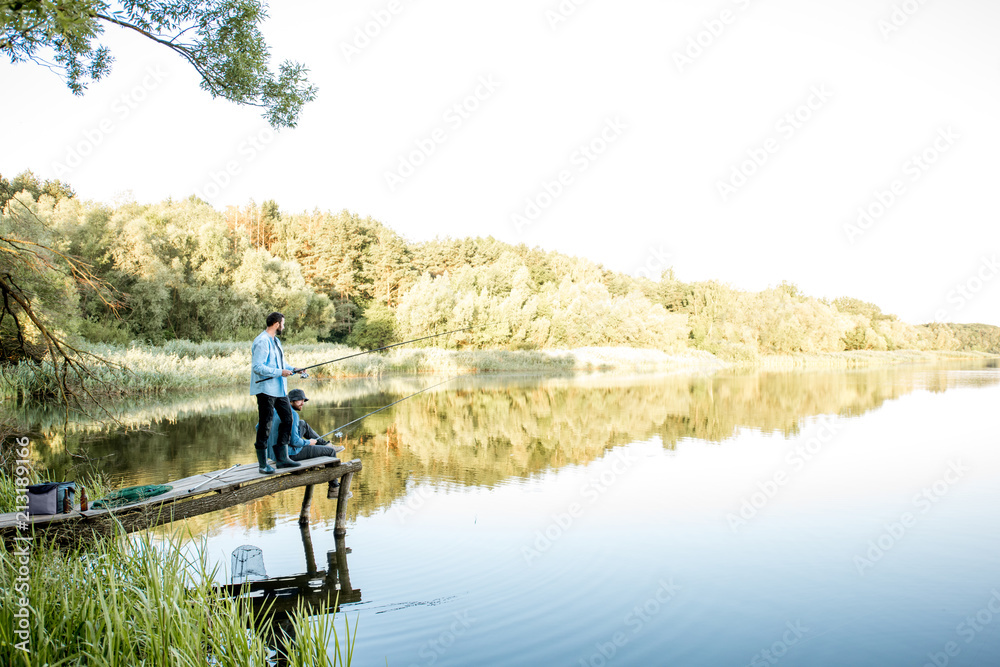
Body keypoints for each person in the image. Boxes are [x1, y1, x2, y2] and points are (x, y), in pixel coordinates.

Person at [263, 388, 349, 498]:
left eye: (303, 400)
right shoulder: (292, 414)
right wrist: (308, 442)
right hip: (290, 455)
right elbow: (295, 442)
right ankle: (334, 489)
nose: (303, 403)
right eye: (299, 400)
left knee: (302, 424)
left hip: (275, 455)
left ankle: (324, 444)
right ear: (291, 401)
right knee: (331, 452)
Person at [250, 311, 305, 474]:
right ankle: (262, 465)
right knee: (265, 425)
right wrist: (280, 372)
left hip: (280, 390)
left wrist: (294, 369)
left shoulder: (276, 341)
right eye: (283, 323)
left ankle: (282, 459)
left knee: (288, 419)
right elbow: (258, 367)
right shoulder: (262, 341)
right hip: (266, 391)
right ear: (276, 324)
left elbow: (281, 364)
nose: (284, 326)